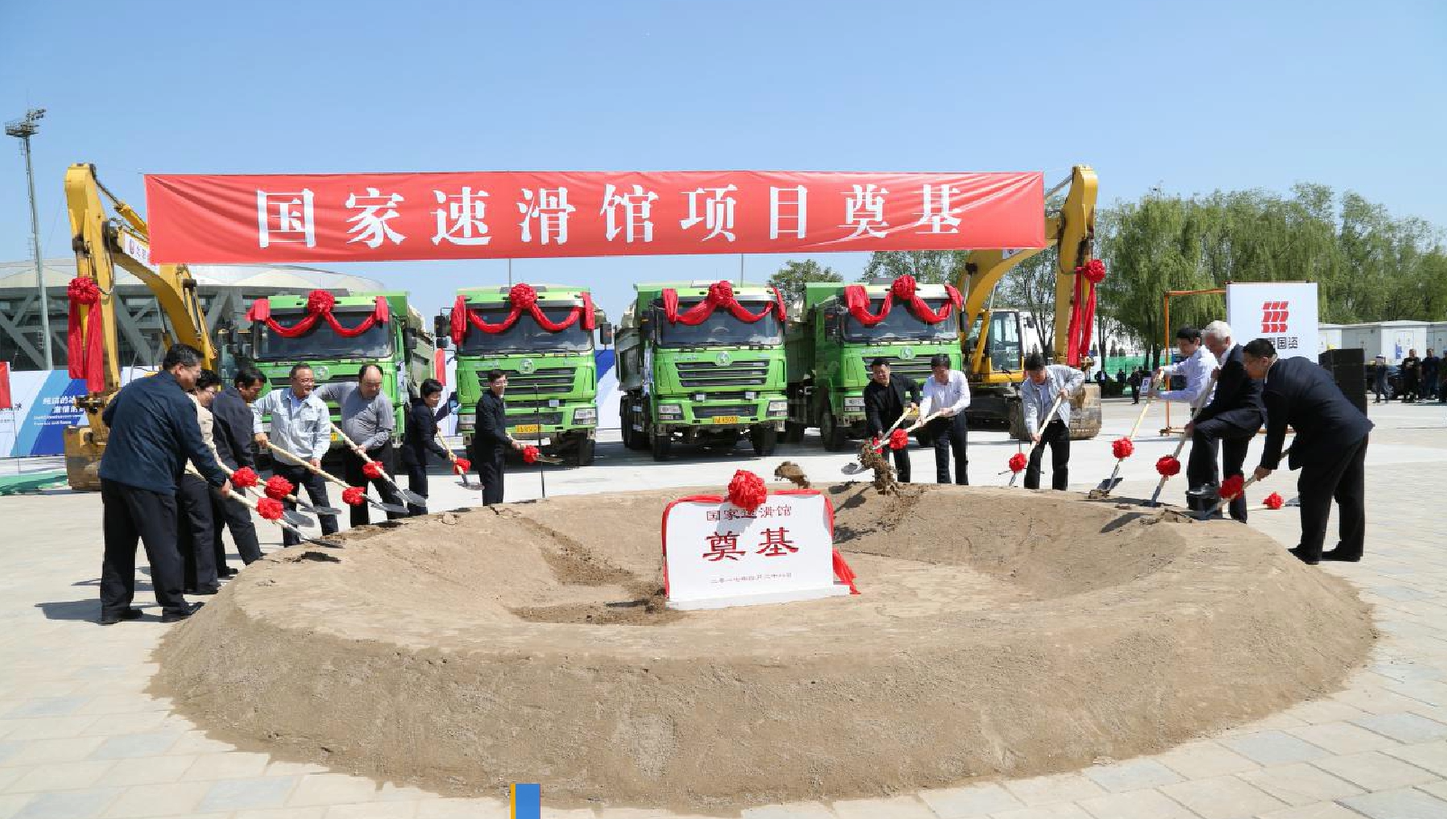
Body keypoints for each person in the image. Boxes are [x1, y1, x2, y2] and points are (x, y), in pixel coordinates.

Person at [98, 344, 231, 625]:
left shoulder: (134, 388)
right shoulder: (179, 401)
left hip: (113, 477)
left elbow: (108, 417)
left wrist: (136, 433)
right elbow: (195, 446)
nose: (198, 378)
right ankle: (173, 606)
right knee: (163, 544)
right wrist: (218, 479)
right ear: (179, 369)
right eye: (196, 372)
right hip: (150, 480)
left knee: (118, 544)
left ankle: (113, 607)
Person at [1245, 338, 1374, 565]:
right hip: (1356, 427)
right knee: (1350, 492)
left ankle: (1309, 550)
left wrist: (1267, 464)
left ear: (1264, 361)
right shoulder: (1300, 362)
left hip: (1332, 436)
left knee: (1313, 489)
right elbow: (1326, 382)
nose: (1245, 367)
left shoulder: (1274, 387)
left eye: (1248, 362)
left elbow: (1276, 431)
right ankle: (1350, 549)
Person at [1183, 321, 1264, 522]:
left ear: (1226, 340)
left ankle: (1209, 484)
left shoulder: (1237, 360)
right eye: (1208, 346)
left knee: (1204, 430)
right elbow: (1232, 387)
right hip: (1239, 415)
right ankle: (1239, 517)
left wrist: (1196, 421)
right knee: (1233, 470)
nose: (1211, 350)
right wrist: (1222, 376)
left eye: (1213, 346)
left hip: (1245, 415)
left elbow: (1221, 401)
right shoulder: (1233, 358)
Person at [252, 363, 339, 545]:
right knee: (287, 508)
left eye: (312, 380)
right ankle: (291, 546)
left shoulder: (318, 405)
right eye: (305, 380)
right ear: (292, 381)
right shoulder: (276, 397)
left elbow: (323, 436)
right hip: (282, 463)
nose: (310, 384)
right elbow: (255, 409)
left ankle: (332, 539)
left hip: (308, 464)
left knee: (322, 504)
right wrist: (258, 431)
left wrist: (317, 457)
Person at [315, 364, 405, 526]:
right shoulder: (347, 390)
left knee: (389, 491)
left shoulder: (383, 401)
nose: (374, 388)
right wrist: (312, 401)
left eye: (377, 384)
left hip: (377, 453)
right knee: (356, 494)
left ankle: (398, 525)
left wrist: (366, 445)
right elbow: (326, 389)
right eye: (369, 384)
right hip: (351, 452)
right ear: (359, 381)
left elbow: (385, 432)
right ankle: (359, 529)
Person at [209, 366, 266, 572]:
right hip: (229, 468)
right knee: (240, 519)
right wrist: (250, 472)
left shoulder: (219, 398)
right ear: (241, 386)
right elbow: (243, 446)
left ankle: (217, 566)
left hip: (211, 466)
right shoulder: (239, 408)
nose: (256, 395)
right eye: (254, 390)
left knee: (215, 522)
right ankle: (254, 562)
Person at [176, 369, 224, 595]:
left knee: (183, 530)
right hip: (195, 476)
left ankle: (186, 580)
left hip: (175, 475)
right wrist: (221, 476)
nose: (213, 398)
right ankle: (206, 582)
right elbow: (207, 450)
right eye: (211, 393)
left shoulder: (175, 404)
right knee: (203, 529)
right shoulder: (202, 414)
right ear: (197, 389)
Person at [1020, 353, 1085, 490]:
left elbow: (1079, 375)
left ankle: (1059, 493)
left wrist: (1068, 389)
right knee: (1034, 459)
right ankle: (1030, 492)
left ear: (1044, 368)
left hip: (1060, 423)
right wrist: (1033, 431)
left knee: (1061, 462)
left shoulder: (1059, 371)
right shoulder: (1026, 387)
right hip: (1040, 425)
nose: (1034, 379)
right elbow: (1030, 411)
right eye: (1031, 376)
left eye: (1037, 375)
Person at [402, 378, 457, 515]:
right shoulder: (422, 411)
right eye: (434, 396)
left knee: (415, 488)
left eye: (439, 396)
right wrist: (444, 453)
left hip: (414, 455)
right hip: (414, 455)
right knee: (419, 489)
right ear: (425, 395)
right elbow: (426, 439)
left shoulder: (422, 406)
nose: (437, 399)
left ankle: (413, 514)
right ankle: (421, 515)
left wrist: (432, 427)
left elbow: (423, 428)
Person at [863, 358, 921, 483]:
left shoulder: (899, 380)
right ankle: (883, 486)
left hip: (898, 425)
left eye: (882, 371)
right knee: (881, 462)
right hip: (880, 428)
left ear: (889, 370)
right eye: (876, 372)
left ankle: (904, 484)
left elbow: (914, 386)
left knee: (902, 459)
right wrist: (879, 430)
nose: (880, 375)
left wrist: (914, 402)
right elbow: (872, 413)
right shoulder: (870, 390)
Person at [472, 370, 524, 505]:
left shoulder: (498, 399)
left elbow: (498, 425)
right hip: (487, 450)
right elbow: (490, 429)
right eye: (498, 383)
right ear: (490, 384)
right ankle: (490, 511)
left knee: (499, 485)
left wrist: (507, 436)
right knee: (491, 485)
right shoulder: (485, 402)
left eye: (504, 381)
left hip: (498, 449)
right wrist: (510, 443)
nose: (502, 385)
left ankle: (498, 510)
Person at [918, 354, 971, 485]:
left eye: (942, 372)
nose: (938, 376)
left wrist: (951, 409)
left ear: (949, 369)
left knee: (960, 456)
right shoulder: (930, 382)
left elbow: (965, 399)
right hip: (939, 422)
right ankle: (944, 488)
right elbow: (926, 400)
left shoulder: (959, 377)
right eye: (935, 372)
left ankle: (963, 486)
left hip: (957, 419)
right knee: (942, 458)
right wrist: (922, 415)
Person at [1152, 327, 1220, 410]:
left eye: (1184, 344)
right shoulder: (1193, 358)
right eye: (1179, 344)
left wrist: (1159, 394)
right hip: (1200, 409)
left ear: (1197, 341)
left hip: (1207, 410)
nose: (1181, 348)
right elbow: (1180, 368)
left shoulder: (1203, 362)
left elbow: (1191, 394)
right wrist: (1163, 369)